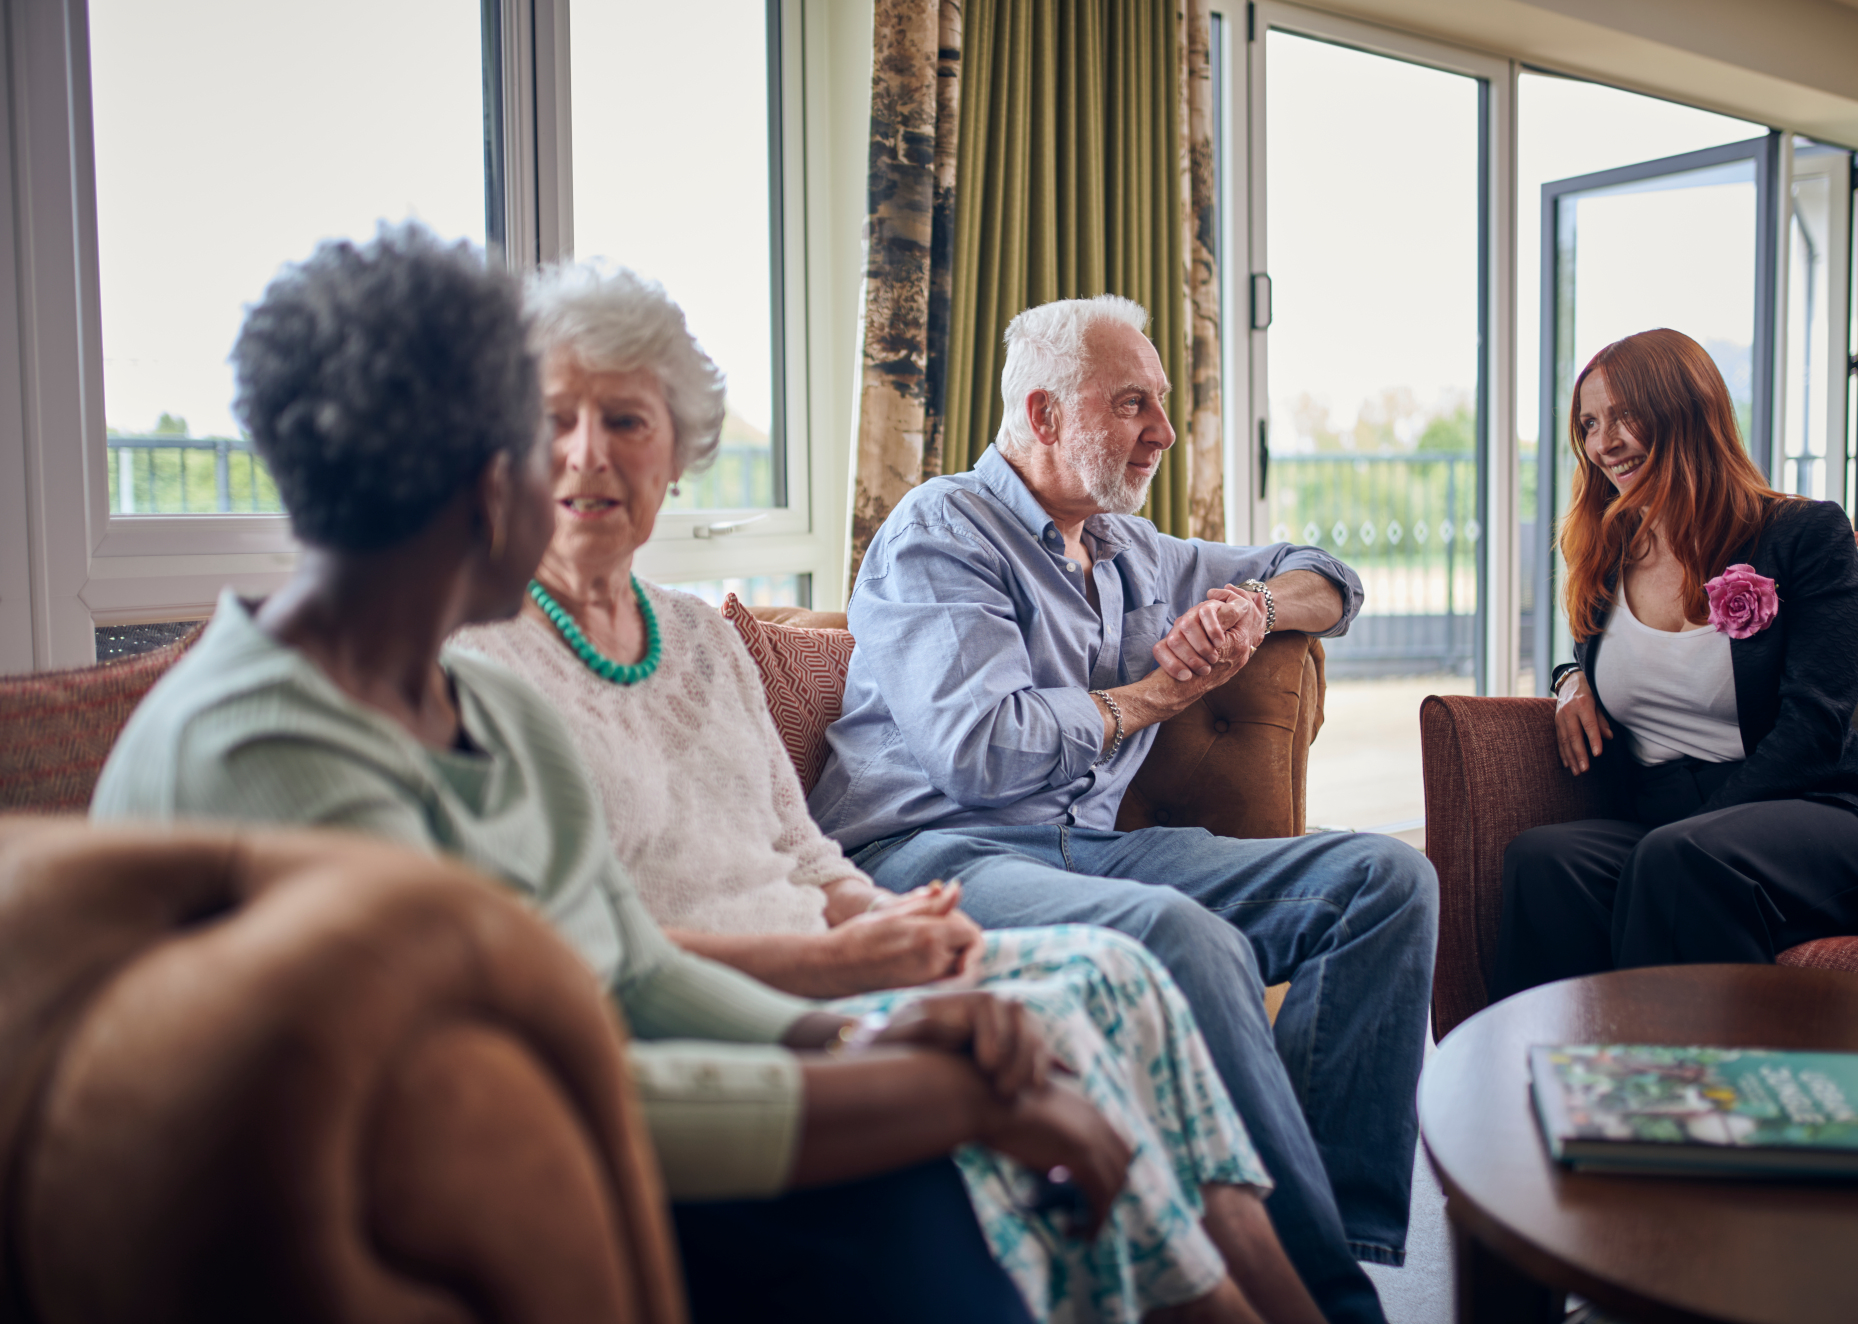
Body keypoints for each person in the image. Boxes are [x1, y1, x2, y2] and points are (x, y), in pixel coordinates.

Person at [88, 226, 1130, 1324]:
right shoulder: (264, 754)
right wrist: (937, 1093)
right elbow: (501, 1114)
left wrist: (862, 1032)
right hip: (374, 1238)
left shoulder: (488, 709)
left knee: (896, 1193)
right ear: (488, 482)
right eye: (543, 439)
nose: (579, 469)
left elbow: (628, 973)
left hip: (527, 1175)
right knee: (889, 1194)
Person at [453, 260, 1327, 1324]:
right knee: (1132, 964)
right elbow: (577, 954)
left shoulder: (690, 636)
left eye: (627, 421)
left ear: (676, 454)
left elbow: (803, 847)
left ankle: (1305, 1301)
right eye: (554, 419)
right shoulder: (476, 658)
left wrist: (889, 926)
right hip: (749, 994)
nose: (590, 452)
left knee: (1124, 976)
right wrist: (848, 953)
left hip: (858, 937)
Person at [806, 294, 1439, 1323]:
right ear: (1045, 415)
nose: (1162, 432)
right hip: (933, 855)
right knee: (1176, 936)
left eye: (1162, 407)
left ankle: (1319, 1243)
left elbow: (1332, 578)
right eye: (1133, 404)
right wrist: (1155, 694)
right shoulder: (940, 530)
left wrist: (1252, 606)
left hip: (1087, 852)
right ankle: (1324, 1303)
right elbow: (981, 752)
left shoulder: (1131, 548)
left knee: (1384, 881)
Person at [1488, 328, 1858, 999]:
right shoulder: (1607, 552)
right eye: (1589, 423)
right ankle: (1557, 1082)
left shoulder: (1803, 535)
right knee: (1541, 860)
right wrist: (1568, 680)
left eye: (1623, 414)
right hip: (1673, 822)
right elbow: (1598, 661)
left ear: (1684, 407)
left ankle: (1685, 1097)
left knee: (1675, 860)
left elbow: (1816, 726)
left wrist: (1694, 829)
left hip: (1823, 811)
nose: (1604, 442)